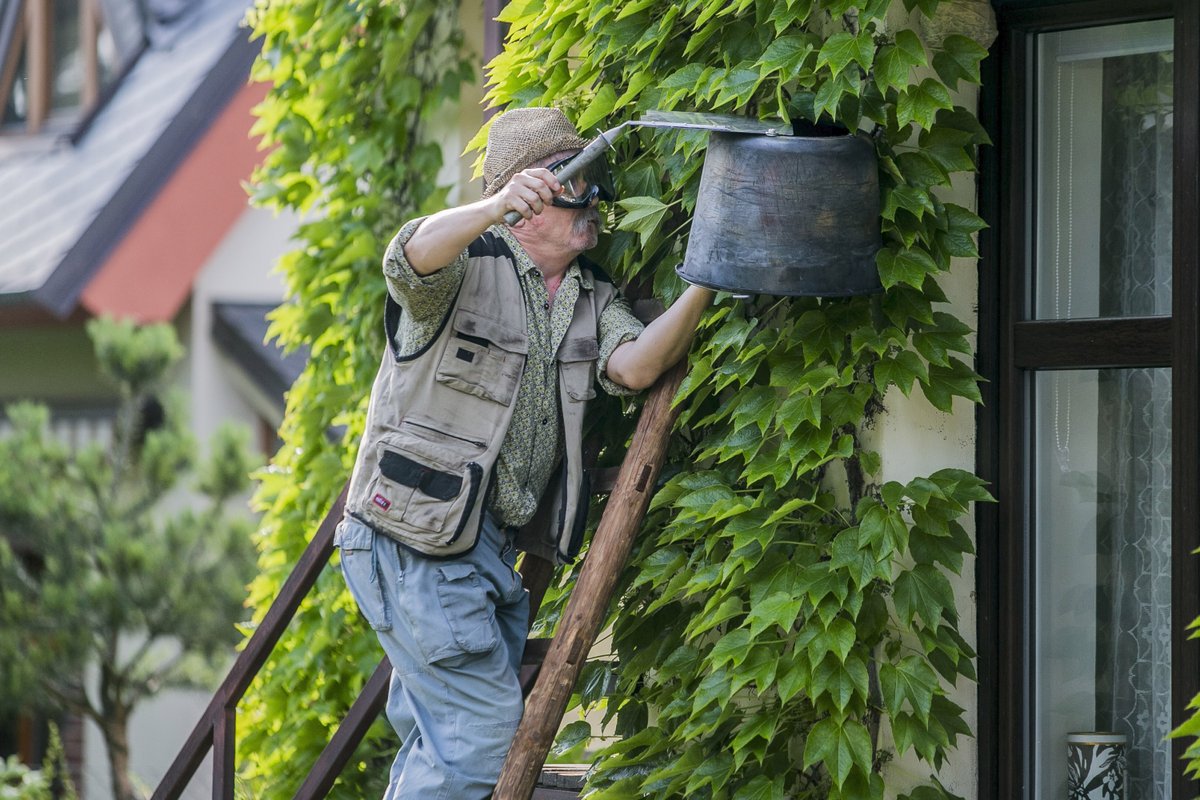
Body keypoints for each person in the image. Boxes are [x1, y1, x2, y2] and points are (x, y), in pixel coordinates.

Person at [334, 106, 714, 799]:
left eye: (593, 185)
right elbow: (406, 256)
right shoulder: (462, 267)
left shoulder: (590, 293)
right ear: (527, 195)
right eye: (572, 182)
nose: (592, 199)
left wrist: (709, 277)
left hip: (484, 553)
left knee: (442, 749)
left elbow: (633, 367)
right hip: (412, 543)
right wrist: (491, 207)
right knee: (480, 748)